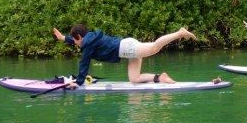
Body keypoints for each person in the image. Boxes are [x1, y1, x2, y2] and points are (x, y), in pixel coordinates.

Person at [52, 23, 204, 87]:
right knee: (134, 79)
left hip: (128, 48)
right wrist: (64, 38)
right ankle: (160, 77)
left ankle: (179, 33)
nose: (75, 43)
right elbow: (78, 42)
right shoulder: (89, 38)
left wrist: (77, 83)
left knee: (155, 47)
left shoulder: (88, 45)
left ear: (80, 37)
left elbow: (83, 64)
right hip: (127, 49)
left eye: (75, 40)